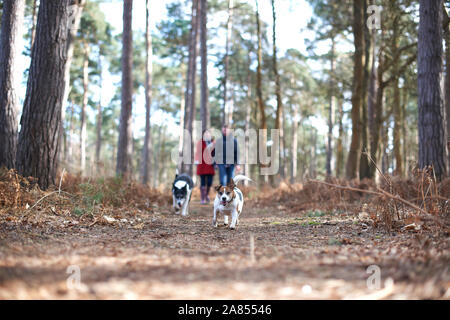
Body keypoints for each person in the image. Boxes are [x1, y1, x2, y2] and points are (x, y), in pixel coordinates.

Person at [195, 129, 215, 204]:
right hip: (202, 164)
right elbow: (197, 152)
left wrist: (215, 163)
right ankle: (202, 198)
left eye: (208, 134)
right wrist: (196, 160)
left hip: (210, 164)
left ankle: (206, 195)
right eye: (205, 134)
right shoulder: (200, 142)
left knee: (209, 182)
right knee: (203, 181)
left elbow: (215, 153)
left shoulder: (213, 143)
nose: (207, 135)